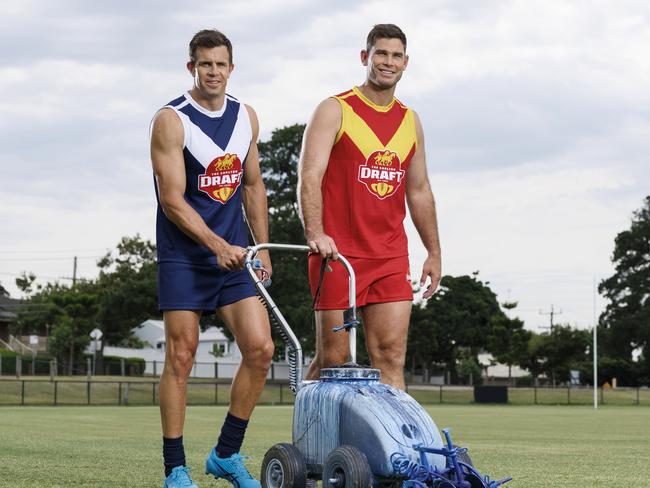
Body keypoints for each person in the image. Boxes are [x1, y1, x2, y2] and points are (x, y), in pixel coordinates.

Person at [150, 29, 272, 488]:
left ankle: (225, 454)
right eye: (205, 64)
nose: (213, 72)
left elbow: (253, 185)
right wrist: (216, 246)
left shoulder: (246, 117)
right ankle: (175, 469)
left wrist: (260, 249)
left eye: (221, 64)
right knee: (182, 356)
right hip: (185, 257)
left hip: (236, 256)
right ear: (192, 68)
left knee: (261, 351)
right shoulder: (171, 120)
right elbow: (173, 201)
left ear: (231, 68)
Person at [298, 24, 441, 390]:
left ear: (406, 63)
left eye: (396, 56)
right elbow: (309, 176)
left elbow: (420, 191)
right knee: (334, 359)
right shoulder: (335, 110)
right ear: (365, 57)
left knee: (391, 355)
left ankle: (396, 447)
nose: (387, 62)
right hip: (338, 254)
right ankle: (308, 434)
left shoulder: (411, 121)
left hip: (390, 256)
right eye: (380, 53)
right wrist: (315, 232)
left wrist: (433, 252)